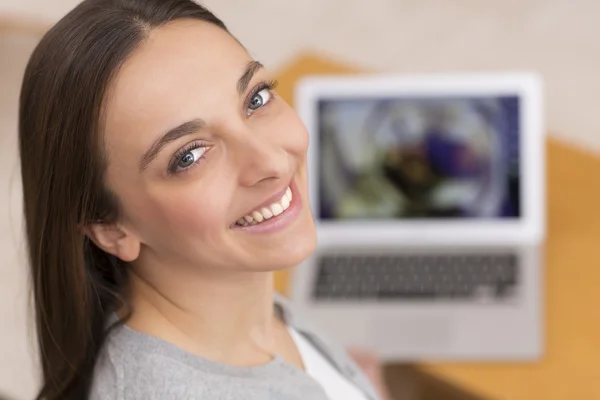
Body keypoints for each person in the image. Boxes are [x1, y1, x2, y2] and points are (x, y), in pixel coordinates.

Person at [18, 1, 392, 399]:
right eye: (189, 156)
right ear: (110, 229)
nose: (271, 162)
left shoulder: (235, 293)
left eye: (256, 99)